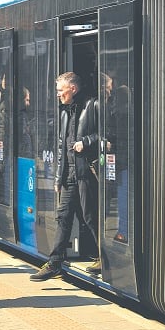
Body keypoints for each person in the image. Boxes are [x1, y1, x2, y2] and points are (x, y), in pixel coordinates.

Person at [30, 72, 100, 281]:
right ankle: (55, 262)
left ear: (73, 89)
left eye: (61, 90)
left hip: (86, 172)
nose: (58, 94)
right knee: (63, 217)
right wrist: (58, 178)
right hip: (69, 174)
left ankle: (104, 257)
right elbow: (61, 147)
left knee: (90, 216)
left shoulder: (93, 105)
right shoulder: (64, 113)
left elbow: (109, 133)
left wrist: (86, 142)